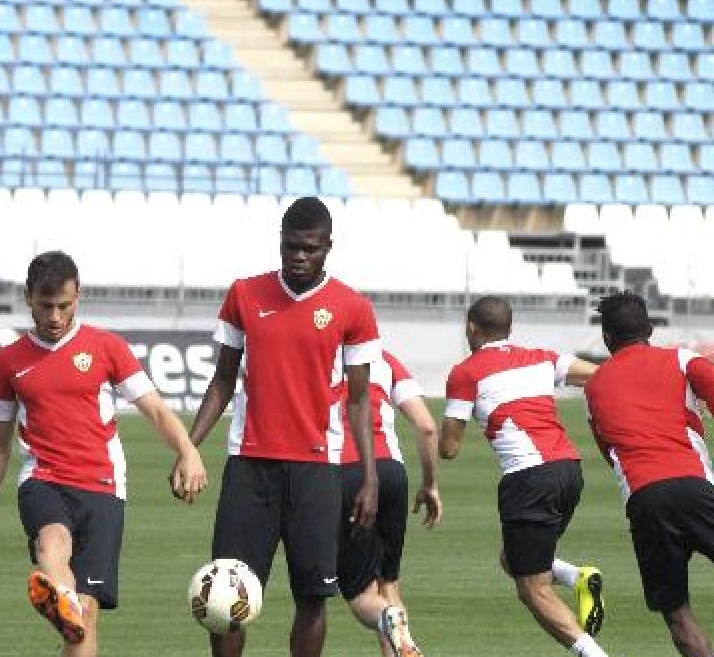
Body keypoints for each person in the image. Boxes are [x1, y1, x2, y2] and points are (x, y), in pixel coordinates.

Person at [0, 251, 207, 657]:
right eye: (45, 306)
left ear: (78, 295)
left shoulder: (107, 347)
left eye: (63, 306)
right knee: (52, 545)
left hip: (103, 486)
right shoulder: (8, 362)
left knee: (84, 617)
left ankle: (66, 608)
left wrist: (188, 451)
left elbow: (154, 408)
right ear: (28, 297)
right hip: (42, 479)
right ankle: (60, 600)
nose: (54, 316)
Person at [186, 196, 418, 657]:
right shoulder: (244, 294)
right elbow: (223, 380)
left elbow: (357, 401)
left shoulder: (353, 307)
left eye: (310, 248)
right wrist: (189, 447)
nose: (299, 256)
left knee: (313, 598)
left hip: (317, 473)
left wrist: (369, 478)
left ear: (328, 247)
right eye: (291, 246)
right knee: (224, 592)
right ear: (280, 242)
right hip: (249, 467)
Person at [439, 296, 608, 657]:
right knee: (514, 560)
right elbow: (600, 375)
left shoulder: (465, 373)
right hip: (569, 471)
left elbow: (448, 449)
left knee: (532, 588)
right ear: (510, 329)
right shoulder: (543, 357)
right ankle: (578, 577)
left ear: (471, 327)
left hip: (529, 477)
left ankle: (595, 655)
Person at [584, 292, 714, 656]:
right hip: (694, 486)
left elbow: (612, 454)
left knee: (677, 613)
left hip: (645, 500)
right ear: (651, 330)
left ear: (607, 338)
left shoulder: (593, 388)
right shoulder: (683, 360)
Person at [331, 348, 442, 656]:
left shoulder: (316, 352)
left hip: (347, 472)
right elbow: (427, 426)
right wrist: (430, 485)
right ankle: (402, 641)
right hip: (392, 473)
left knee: (359, 594)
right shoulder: (383, 358)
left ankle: (385, 617)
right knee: (388, 583)